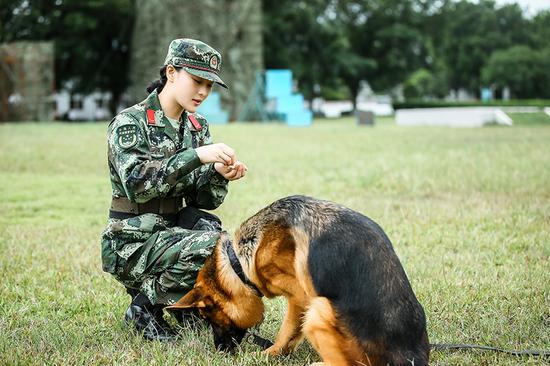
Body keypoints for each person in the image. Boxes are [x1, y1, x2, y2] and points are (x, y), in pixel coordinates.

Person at [100, 38, 247, 341]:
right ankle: (143, 308)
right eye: (197, 81)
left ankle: (183, 305)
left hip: (173, 232)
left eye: (209, 85)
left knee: (216, 233)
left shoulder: (197, 126)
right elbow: (138, 186)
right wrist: (197, 156)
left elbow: (203, 199)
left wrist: (219, 175)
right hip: (133, 241)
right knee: (214, 246)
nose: (204, 92)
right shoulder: (130, 122)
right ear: (171, 72)